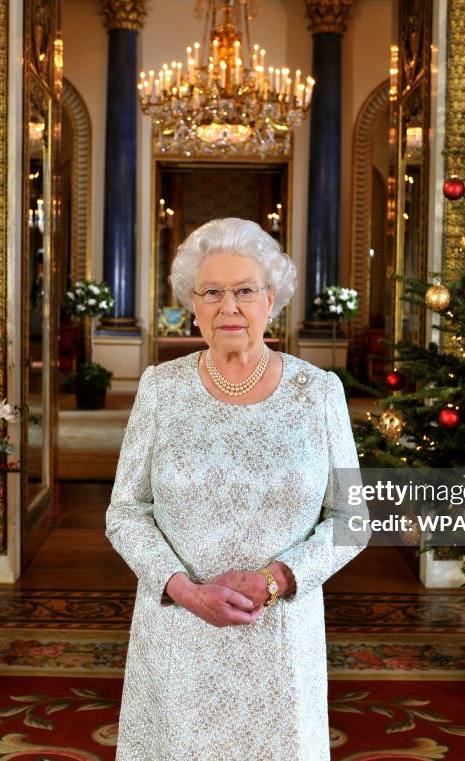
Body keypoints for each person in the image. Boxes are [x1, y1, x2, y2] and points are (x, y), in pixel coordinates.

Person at [106, 217, 368, 760]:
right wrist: (183, 589)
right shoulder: (160, 389)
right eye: (213, 292)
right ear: (193, 305)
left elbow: (352, 519)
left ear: (271, 301)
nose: (230, 307)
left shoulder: (318, 392)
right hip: (179, 633)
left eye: (245, 291)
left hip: (279, 638)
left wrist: (277, 579)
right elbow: (126, 512)